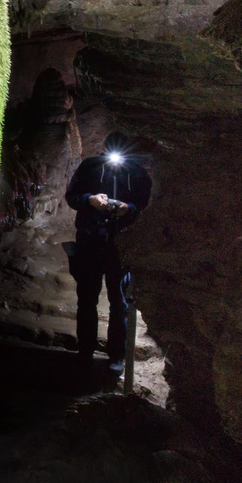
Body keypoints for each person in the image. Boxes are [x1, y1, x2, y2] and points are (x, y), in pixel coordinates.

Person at [64, 131, 152, 372]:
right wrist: (90, 199)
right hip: (90, 242)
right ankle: (85, 352)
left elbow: (148, 206)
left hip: (120, 246)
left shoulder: (138, 174)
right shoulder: (90, 167)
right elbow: (71, 197)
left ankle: (117, 355)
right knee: (87, 300)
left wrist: (128, 208)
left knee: (120, 302)